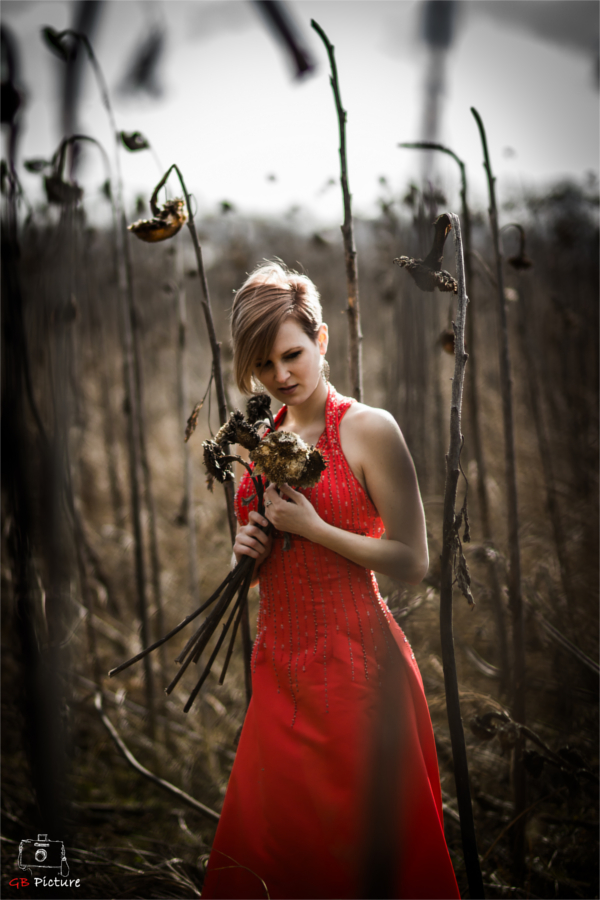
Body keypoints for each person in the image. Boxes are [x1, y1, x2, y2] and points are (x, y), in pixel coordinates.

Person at [202, 261, 460, 899]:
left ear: (320, 340)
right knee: (276, 857)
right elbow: (275, 571)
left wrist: (315, 528)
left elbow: (414, 560)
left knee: (358, 858)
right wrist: (248, 555)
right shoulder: (262, 441)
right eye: (263, 366)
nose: (281, 376)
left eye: (291, 354)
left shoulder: (370, 429)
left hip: (357, 672)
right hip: (278, 671)